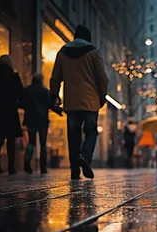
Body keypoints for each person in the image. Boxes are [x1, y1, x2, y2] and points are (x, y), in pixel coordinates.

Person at [50, 25, 108, 180]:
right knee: (91, 131)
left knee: (73, 135)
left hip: (71, 100)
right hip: (90, 100)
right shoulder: (94, 52)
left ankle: (74, 170)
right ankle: (86, 156)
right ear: (88, 38)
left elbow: (55, 76)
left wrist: (54, 95)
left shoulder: (62, 52)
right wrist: (102, 96)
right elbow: (102, 77)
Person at [23, 73, 63, 174]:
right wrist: (58, 110)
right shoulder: (44, 91)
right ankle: (43, 166)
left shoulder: (27, 90)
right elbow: (50, 104)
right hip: (42, 120)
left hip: (30, 119)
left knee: (31, 142)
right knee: (43, 144)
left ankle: (27, 162)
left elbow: (22, 103)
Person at [0, 55, 24, 175]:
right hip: (10, 110)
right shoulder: (14, 76)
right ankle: (11, 167)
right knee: (11, 140)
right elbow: (20, 93)